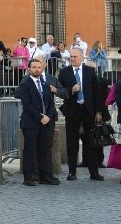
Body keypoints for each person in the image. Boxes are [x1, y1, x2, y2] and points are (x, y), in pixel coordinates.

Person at [57, 48, 105, 181]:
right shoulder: (64, 72)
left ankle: (94, 172)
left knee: (92, 141)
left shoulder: (89, 71)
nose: (72, 59)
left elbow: (97, 93)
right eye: (71, 56)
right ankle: (72, 172)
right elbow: (59, 91)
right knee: (72, 142)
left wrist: (99, 111)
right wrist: (71, 90)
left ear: (82, 57)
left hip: (88, 110)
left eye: (75, 56)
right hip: (72, 110)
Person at [16, 59, 59, 186]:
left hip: (46, 122)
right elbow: (27, 104)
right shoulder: (25, 84)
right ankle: (29, 177)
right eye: (34, 67)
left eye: (39, 67)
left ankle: (46, 176)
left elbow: (51, 103)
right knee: (30, 150)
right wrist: (40, 117)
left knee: (44, 150)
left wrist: (48, 117)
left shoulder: (46, 84)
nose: (37, 69)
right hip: (31, 122)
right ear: (29, 69)